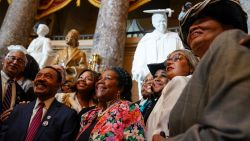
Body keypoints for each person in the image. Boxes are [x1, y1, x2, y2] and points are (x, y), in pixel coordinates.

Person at [153, 0, 250, 140]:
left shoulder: (231, 40)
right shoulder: (197, 79)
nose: (193, 27)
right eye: (190, 25)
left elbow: (234, 132)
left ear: (229, 27)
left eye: (203, 19)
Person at [0, 66, 79, 141]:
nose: (41, 79)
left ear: (58, 85)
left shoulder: (67, 115)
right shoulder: (19, 109)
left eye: (48, 76)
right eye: (38, 76)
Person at [76, 67, 145, 140]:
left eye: (107, 78)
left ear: (120, 88)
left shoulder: (128, 109)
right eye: (99, 78)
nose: (100, 81)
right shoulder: (89, 115)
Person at [146, 49, 198, 141]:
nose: (169, 62)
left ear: (191, 67)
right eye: (168, 61)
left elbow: (165, 128)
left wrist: (161, 135)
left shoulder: (179, 81)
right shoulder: (189, 86)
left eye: (177, 58)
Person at [132, 9, 184, 98]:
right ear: (153, 23)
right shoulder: (146, 39)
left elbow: (183, 57)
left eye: (164, 21)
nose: (162, 23)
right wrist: (146, 74)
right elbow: (138, 62)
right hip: (151, 79)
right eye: (159, 21)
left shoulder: (175, 37)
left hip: (171, 79)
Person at [0, 49, 35, 123]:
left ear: (23, 68)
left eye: (20, 61)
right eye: (12, 58)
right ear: (4, 60)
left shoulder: (20, 91)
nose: (15, 62)